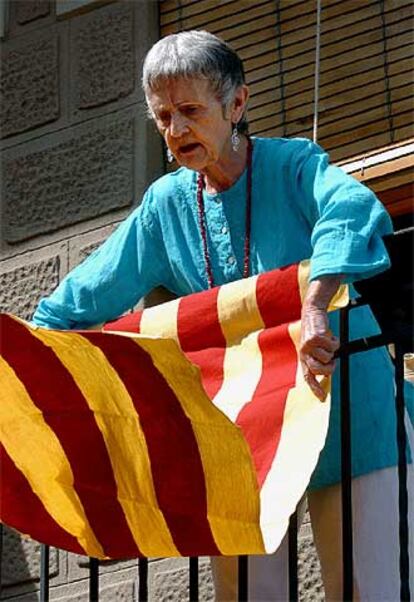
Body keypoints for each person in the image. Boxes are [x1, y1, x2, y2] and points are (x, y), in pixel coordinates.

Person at [32, 30, 413, 601]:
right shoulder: (165, 207)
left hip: (351, 412)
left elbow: (352, 210)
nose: (176, 130)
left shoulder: (293, 165)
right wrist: (30, 365)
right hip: (245, 436)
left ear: (236, 105)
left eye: (190, 110)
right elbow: (72, 305)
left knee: (372, 591)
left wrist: (315, 304)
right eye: (163, 117)